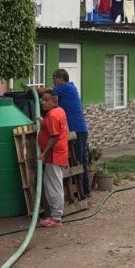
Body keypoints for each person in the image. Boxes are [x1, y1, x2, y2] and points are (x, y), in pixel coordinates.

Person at [51, 69, 91, 197]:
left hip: (78, 131)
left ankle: (84, 191)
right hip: (77, 130)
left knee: (78, 161)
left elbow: (46, 91)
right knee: (77, 161)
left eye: (54, 78)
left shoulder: (66, 88)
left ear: (61, 79)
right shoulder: (68, 89)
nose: (53, 81)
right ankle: (81, 190)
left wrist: (32, 90)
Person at [37, 89, 68, 228]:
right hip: (55, 155)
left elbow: (54, 136)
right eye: (42, 100)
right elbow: (51, 129)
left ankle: (56, 218)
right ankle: (54, 216)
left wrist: (44, 153)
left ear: (53, 101)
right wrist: (43, 122)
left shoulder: (54, 115)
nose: (42, 102)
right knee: (51, 184)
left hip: (54, 155)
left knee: (54, 186)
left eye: (45, 100)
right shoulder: (57, 111)